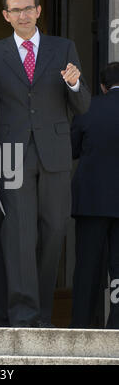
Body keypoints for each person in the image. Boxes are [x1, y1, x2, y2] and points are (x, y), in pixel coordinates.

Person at [0, 0, 90, 328]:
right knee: (19, 237)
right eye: (15, 10)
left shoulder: (63, 47)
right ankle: (23, 315)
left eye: (28, 9)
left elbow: (83, 105)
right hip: (12, 156)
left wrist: (74, 83)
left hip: (54, 154)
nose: (22, 15)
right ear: (5, 16)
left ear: (39, 11)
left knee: (55, 231)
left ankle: (42, 313)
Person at [70, 62, 119, 329]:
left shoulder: (87, 106)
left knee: (87, 267)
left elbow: (72, 149)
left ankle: (80, 324)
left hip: (91, 199)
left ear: (102, 86)